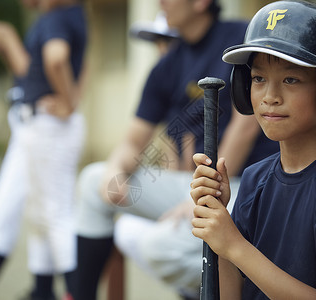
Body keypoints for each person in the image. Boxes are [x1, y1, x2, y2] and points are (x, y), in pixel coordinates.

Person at [74, 0, 279, 299]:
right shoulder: (168, 64)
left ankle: (242, 286)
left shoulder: (240, 39)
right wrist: (116, 168)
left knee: (158, 248)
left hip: (242, 186)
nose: (161, 3)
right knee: (93, 180)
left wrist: (207, 192)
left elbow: (245, 127)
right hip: (194, 185)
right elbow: (134, 140)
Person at [190, 1, 316, 299]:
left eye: (291, 79)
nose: (270, 96)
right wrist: (222, 227)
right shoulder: (255, 179)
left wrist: (235, 245)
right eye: (258, 79)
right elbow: (233, 293)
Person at [0, 0, 88, 299]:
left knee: (55, 215)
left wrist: (68, 101)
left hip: (49, 126)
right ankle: (42, 291)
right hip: (40, 124)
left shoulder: (57, 16)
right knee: (40, 214)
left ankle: (75, 293)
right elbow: (38, 71)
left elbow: (56, 58)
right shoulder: (68, 14)